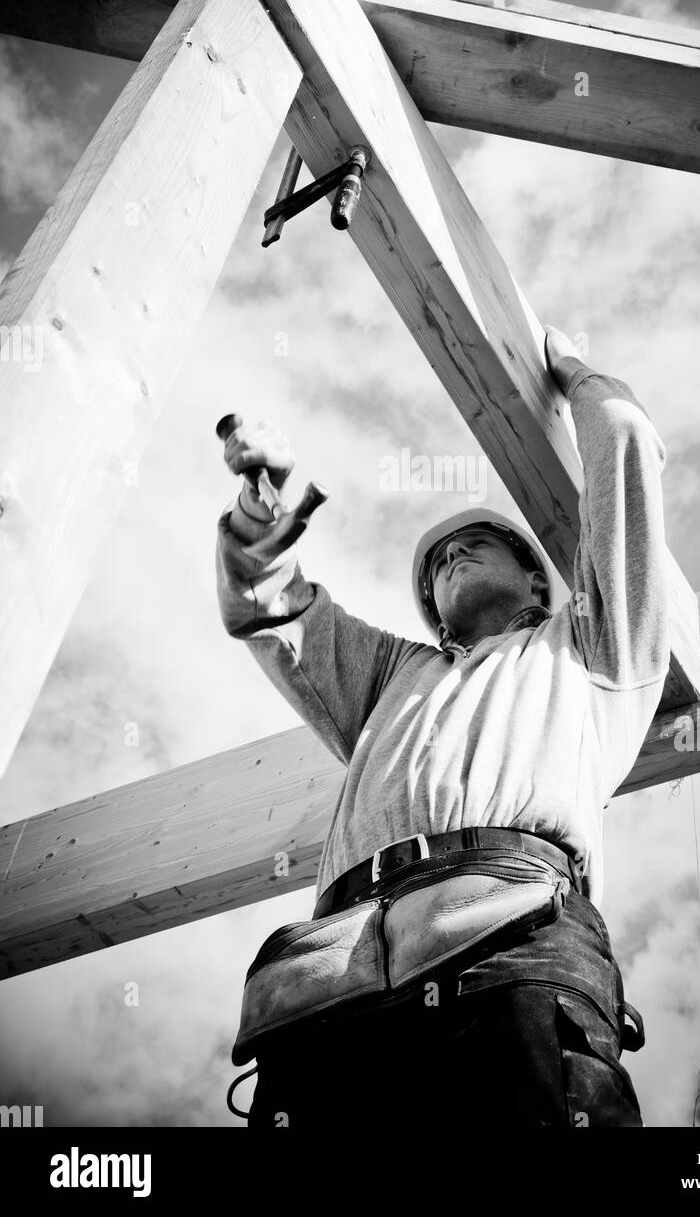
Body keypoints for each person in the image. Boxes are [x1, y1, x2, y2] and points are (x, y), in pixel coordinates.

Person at [217, 326, 670, 1129]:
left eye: (474, 546)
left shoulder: (595, 643)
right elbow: (270, 607)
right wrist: (262, 512)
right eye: (438, 563)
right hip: (334, 979)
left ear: (537, 575)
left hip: (511, 940)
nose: (451, 558)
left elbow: (626, 454)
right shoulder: (396, 675)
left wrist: (575, 376)